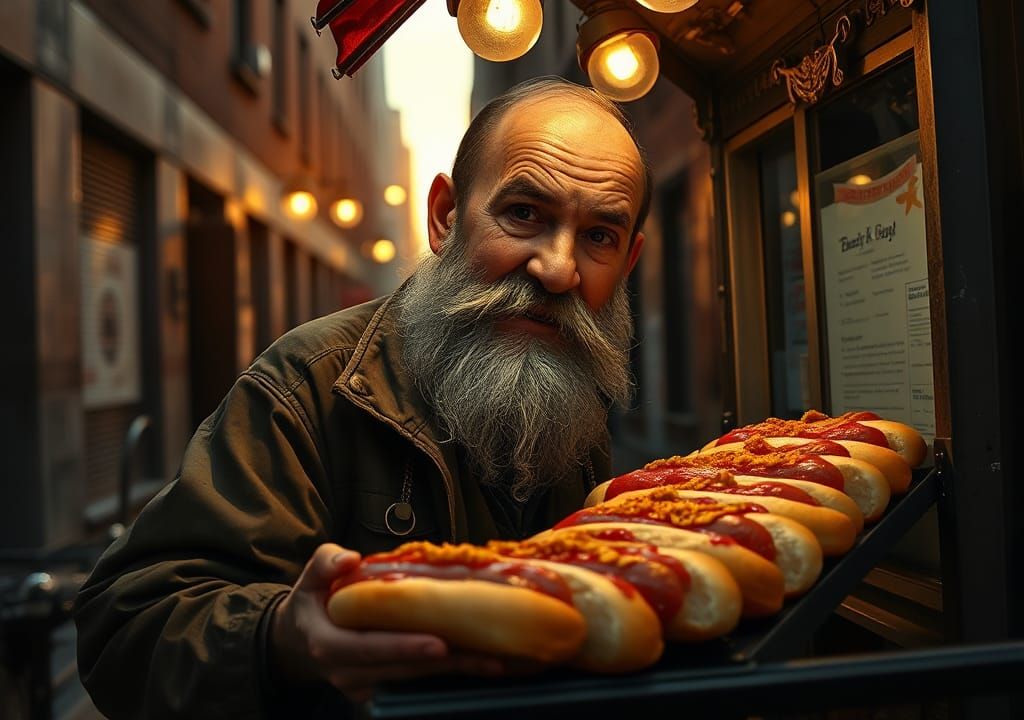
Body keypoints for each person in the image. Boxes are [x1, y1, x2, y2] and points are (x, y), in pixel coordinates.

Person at [74, 75, 651, 719]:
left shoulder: (573, 384)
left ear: (628, 262)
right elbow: (125, 625)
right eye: (523, 214)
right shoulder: (310, 385)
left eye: (600, 235)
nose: (558, 268)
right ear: (444, 217)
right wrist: (281, 637)